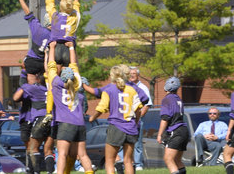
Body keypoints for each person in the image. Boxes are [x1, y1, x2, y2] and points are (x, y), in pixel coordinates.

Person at [48, 41, 93, 174]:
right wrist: (71, 48)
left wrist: (51, 48)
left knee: (62, 154)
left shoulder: (56, 84)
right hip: (80, 124)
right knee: (82, 154)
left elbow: (51, 66)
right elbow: (74, 66)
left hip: (66, 124)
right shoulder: (78, 86)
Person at [89, 65, 142, 174]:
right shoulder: (131, 90)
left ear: (111, 76)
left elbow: (101, 108)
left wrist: (92, 117)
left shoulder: (108, 90)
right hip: (131, 128)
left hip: (116, 127)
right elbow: (138, 109)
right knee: (128, 161)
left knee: (109, 160)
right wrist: (135, 122)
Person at [13, 72, 55, 174]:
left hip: (41, 119)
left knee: (33, 148)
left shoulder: (35, 89)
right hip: (53, 121)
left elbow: (20, 88)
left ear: (39, 80)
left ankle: (36, 171)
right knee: (48, 150)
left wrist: (23, 71)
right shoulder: (53, 89)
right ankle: (50, 171)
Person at [10, 0, 51, 76]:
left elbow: (28, 12)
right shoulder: (56, 35)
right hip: (43, 63)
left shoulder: (38, 30)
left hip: (37, 62)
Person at [156, 77, 189, 174]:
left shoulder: (167, 99)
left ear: (166, 87)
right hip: (184, 130)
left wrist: (159, 134)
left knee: (168, 159)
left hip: (176, 130)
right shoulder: (178, 98)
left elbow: (165, 118)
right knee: (177, 160)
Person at [129, 66, 152, 171]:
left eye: (134, 73)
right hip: (126, 120)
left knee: (137, 143)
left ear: (138, 75)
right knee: (124, 143)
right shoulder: (125, 86)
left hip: (137, 120)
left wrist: (138, 117)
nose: (132, 75)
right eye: (130, 73)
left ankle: (138, 164)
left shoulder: (143, 87)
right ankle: (124, 163)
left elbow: (147, 105)